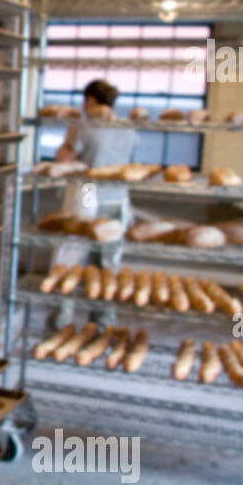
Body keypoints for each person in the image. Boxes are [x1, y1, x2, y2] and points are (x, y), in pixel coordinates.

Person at [48, 79, 137, 328]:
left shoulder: (85, 126)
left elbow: (63, 159)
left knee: (69, 256)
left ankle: (60, 320)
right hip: (118, 196)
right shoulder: (128, 127)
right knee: (107, 263)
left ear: (90, 100)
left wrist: (69, 133)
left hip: (90, 192)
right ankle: (102, 323)